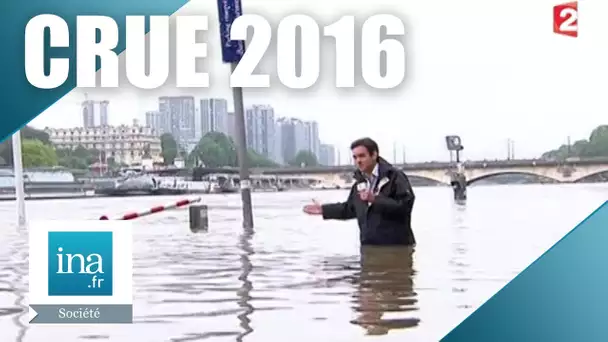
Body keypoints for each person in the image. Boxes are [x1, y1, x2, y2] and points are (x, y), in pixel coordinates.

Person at [303, 137, 416, 246]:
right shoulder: (359, 183)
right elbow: (349, 209)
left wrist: (375, 199)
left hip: (396, 248)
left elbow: (405, 207)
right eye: (355, 157)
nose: (358, 161)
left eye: (362, 156)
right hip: (369, 247)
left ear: (374, 155)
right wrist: (324, 210)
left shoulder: (395, 177)